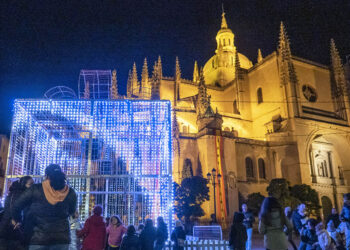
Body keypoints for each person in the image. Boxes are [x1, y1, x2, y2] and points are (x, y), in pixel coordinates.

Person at [11, 164, 77, 250]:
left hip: (38, 239)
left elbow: (16, 206)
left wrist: (18, 220)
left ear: (46, 176)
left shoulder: (35, 189)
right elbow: (72, 211)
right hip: (62, 239)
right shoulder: (70, 192)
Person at [0, 176, 33, 250]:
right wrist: (18, 220)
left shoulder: (14, 193)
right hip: (13, 232)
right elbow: (14, 208)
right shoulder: (20, 194)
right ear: (23, 184)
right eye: (30, 184)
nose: (32, 187)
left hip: (7, 231)